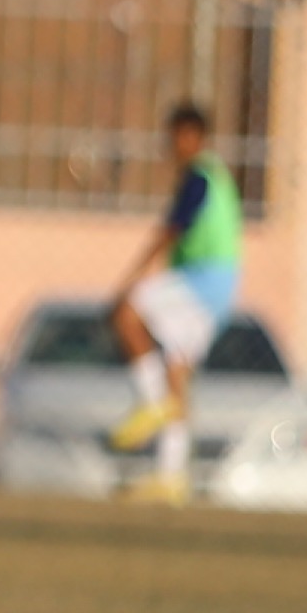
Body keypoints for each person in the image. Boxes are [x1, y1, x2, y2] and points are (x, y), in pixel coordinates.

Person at [99, 102, 245, 499]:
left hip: (201, 280)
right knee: (177, 370)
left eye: (178, 137)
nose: (173, 146)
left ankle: (150, 403)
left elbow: (171, 230)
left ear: (195, 137)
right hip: (221, 287)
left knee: (125, 310)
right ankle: (172, 476)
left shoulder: (199, 176)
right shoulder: (217, 176)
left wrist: (131, 277)